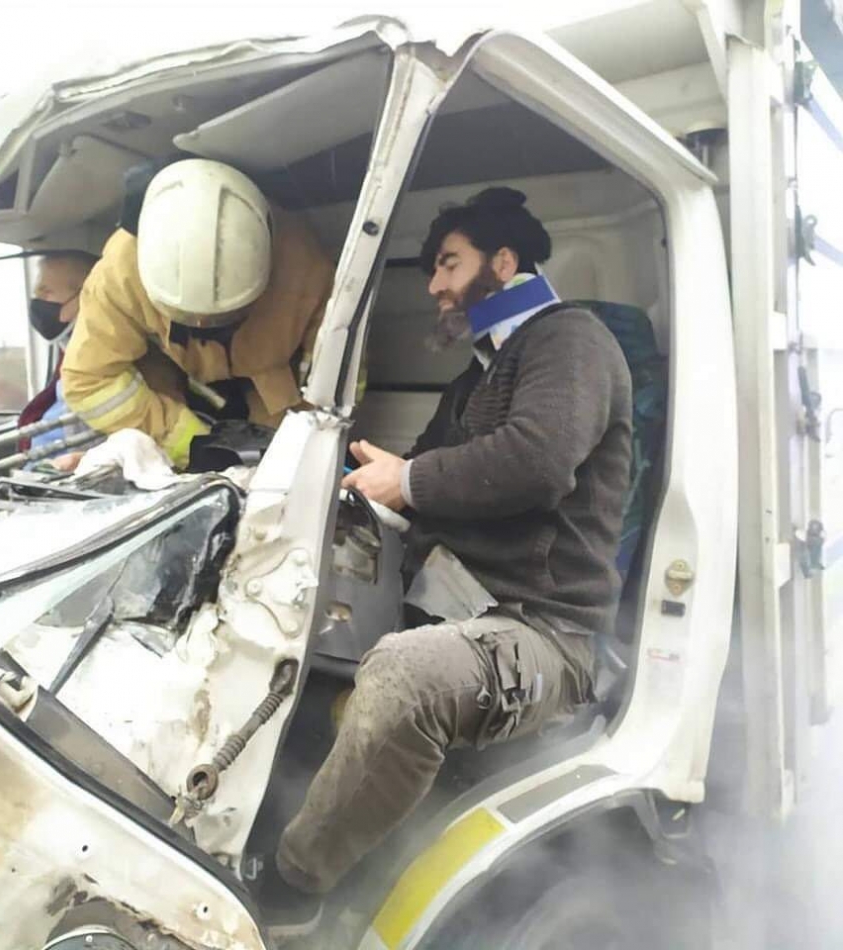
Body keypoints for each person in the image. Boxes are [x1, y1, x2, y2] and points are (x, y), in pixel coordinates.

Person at [262, 187, 633, 933]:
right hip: (455, 609)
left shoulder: (571, 340)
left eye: (449, 264)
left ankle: (291, 893)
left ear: (504, 262)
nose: (433, 284)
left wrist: (408, 479)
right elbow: (426, 471)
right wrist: (361, 480)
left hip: (544, 634)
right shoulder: (476, 378)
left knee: (406, 680)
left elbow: (537, 461)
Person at [61, 159, 335, 469]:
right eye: (188, 318)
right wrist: (190, 446)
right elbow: (88, 380)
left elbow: (335, 384)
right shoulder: (119, 273)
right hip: (173, 379)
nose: (205, 327)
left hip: (271, 382)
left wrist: (304, 451)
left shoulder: (308, 270)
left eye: (224, 318)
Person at [18, 250, 98, 469]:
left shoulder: (108, 365)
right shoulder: (69, 358)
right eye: (36, 292)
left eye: (46, 291)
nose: (37, 301)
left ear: (84, 296)